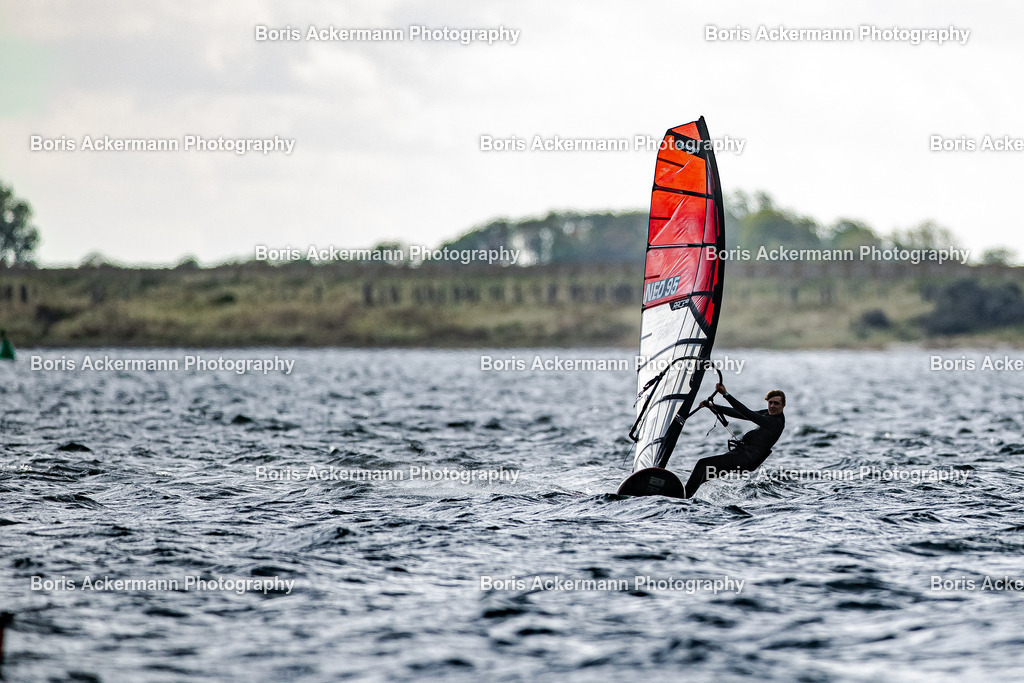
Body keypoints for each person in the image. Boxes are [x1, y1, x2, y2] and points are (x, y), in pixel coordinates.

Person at [682, 383, 786, 499]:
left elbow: (747, 413)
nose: (772, 406)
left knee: (703, 464)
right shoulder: (768, 414)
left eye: (776, 403)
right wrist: (714, 406)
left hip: (745, 459)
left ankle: (683, 496)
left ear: (783, 405)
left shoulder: (775, 423)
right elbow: (739, 413)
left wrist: (726, 394)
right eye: (770, 402)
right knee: (704, 473)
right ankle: (686, 496)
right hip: (741, 456)